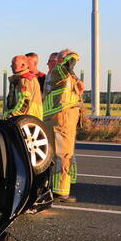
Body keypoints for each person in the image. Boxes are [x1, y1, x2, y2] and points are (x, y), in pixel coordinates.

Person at [43, 49, 85, 203]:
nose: (49, 63)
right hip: (61, 119)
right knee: (63, 155)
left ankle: (63, 184)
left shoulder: (60, 74)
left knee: (61, 153)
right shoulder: (59, 69)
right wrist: (73, 53)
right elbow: (70, 61)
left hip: (58, 119)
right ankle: (61, 192)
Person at [4, 55, 43, 119]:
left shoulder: (26, 79)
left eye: (13, 63)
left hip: (27, 120)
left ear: (23, 65)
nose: (11, 66)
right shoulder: (18, 80)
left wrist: (12, 116)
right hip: (23, 119)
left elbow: (24, 102)